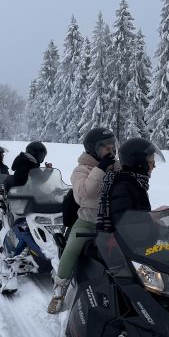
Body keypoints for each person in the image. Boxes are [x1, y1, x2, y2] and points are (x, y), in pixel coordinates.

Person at [47, 127, 119, 313]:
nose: (111, 151)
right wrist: (100, 169)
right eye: (106, 147)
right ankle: (59, 287)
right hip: (87, 221)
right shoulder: (81, 169)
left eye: (113, 146)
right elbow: (83, 195)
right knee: (71, 250)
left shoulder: (116, 167)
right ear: (93, 149)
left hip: (114, 223)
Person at [96, 137, 165, 233]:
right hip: (123, 246)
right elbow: (124, 223)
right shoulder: (123, 187)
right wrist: (153, 216)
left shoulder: (136, 184)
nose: (154, 166)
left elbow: (138, 220)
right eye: (151, 162)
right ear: (140, 163)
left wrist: (158, 227)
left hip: (134, 244)